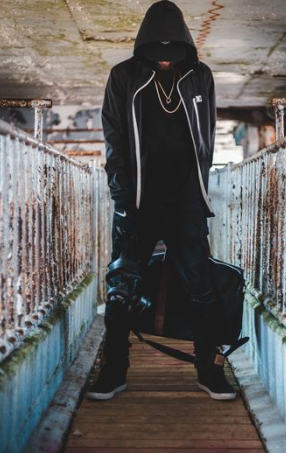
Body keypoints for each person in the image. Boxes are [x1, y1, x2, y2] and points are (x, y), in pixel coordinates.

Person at [88, 0, 236, 401]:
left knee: (200, 285)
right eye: (159, 54)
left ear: (185, 47)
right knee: (122, 284)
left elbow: (205, 135)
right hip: (137, 200)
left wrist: (200, 189)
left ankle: (209, 369)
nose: (166, 62)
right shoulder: (124, 76)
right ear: (145, 46)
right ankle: (114, 370)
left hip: (186, 200)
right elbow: (114, 136)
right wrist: (121, 195)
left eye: (173, 54)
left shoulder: (199, 76)